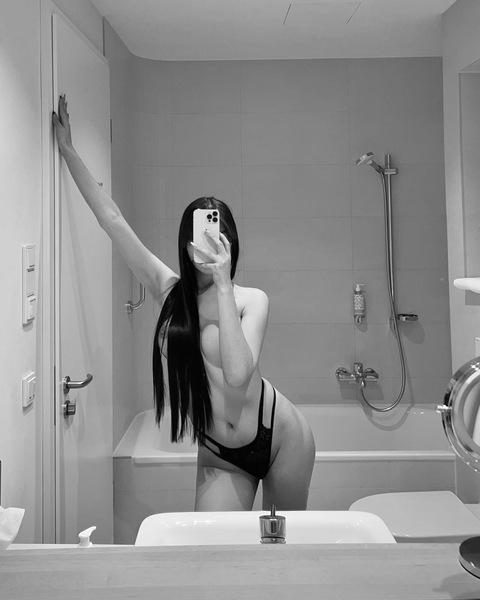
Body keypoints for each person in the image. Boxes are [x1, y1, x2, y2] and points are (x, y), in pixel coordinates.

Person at [53, 94, 315, 511]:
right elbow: (113, 221)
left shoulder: (252, 300)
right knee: (210, 545)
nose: (207, 245)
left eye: (217, 237)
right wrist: (68, 150)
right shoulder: (170, 292)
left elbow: (237, 374)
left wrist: (223, 283)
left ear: (230, 243)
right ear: (186, 242)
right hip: (220, 452)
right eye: (200, 236)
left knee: (278, 546)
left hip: (281, 437)